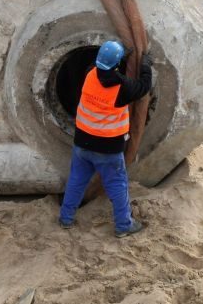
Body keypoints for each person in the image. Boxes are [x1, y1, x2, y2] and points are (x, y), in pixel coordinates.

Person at [58, 40, 153, 238]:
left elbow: (99, 67)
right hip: (107, 149)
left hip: (82, 143)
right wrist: (145, 67)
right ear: (117, 65)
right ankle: (124, 225)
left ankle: (66, 218)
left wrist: (121, 57)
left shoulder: (89, 74)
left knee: (76, 180)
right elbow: (143, 87)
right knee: (117, 185)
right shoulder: (122, 88)